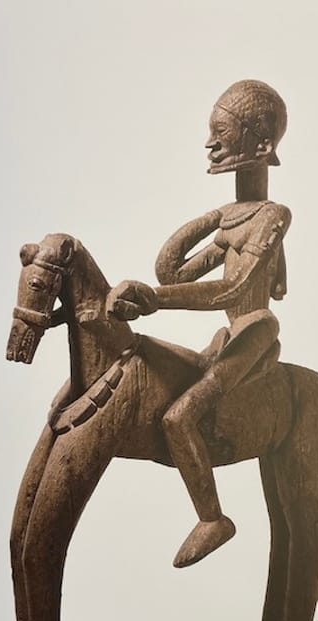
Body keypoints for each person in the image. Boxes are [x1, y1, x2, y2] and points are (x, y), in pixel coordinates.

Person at [108, 80, 292, 568]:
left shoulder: (274, 215)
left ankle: (213, 519)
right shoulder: (238, 219)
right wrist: (218, 217)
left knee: (178, 416)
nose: (210, 144)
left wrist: (156, 301)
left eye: (221, 133)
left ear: (260, 145)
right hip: (227, 337)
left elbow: (231, 291)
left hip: (254, 333)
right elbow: (172, 270)